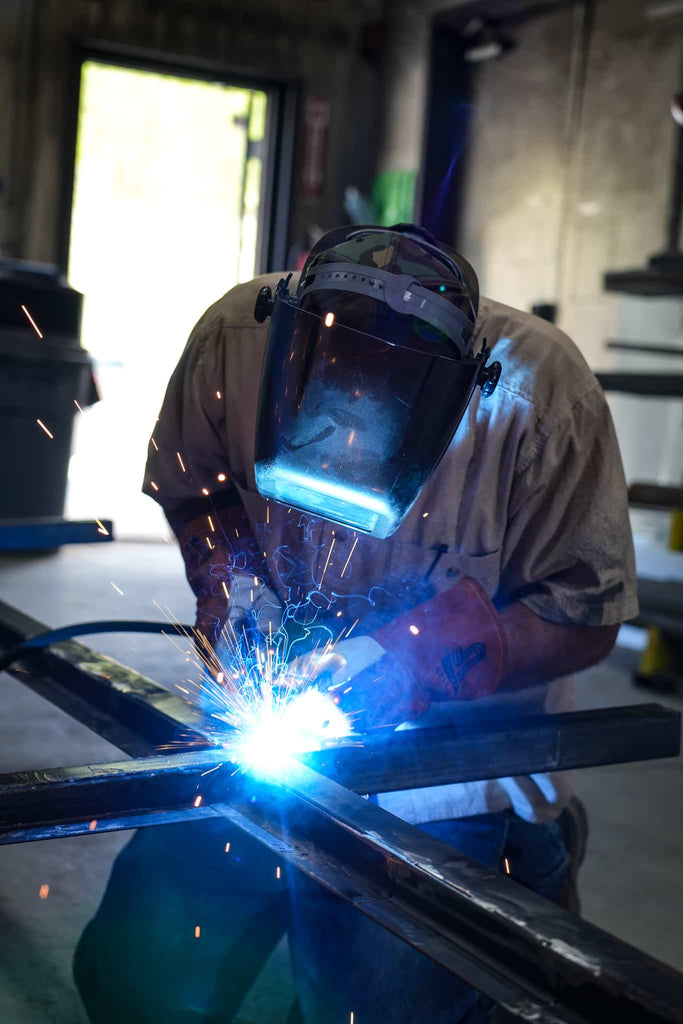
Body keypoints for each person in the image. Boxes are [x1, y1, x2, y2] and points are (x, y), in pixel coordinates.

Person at [74, 224, 637, 1024]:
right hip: (255, 731)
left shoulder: (541, 399)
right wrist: (230, 579)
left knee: (379, 1009)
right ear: (292, 351)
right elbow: (196, 488)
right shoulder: (234, 340)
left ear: (452, 394)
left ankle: (532, 859)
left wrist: (414, 660)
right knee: (133, 974)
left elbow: (584, 617)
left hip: (447, 774)